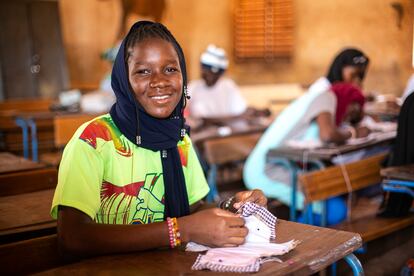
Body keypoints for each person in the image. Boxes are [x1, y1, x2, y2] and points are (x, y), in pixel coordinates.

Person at [51, 21, 267, 258]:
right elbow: (71, 237)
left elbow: (191, 207)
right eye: (143, 71)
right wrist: (180, 230)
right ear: (124, 80)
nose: (160, 81)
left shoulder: (179, 139)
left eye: (170, 69)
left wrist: (232, 205)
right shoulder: (94, 140)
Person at [243, 48, 371, 226]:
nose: (357, 82)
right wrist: (354, 133)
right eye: (355, 75)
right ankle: (302, 241)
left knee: (335, 196)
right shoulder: (326, 95)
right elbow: (328, 134)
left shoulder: (328, 98)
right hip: (267, 170)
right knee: (335, 209)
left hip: (285, 166)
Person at [187, 44, 247, 123]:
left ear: (221, 74)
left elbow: (240, 113)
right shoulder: (193, 87)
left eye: (214, 74)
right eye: (206, 73)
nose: (209, 76)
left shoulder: (228, 86)